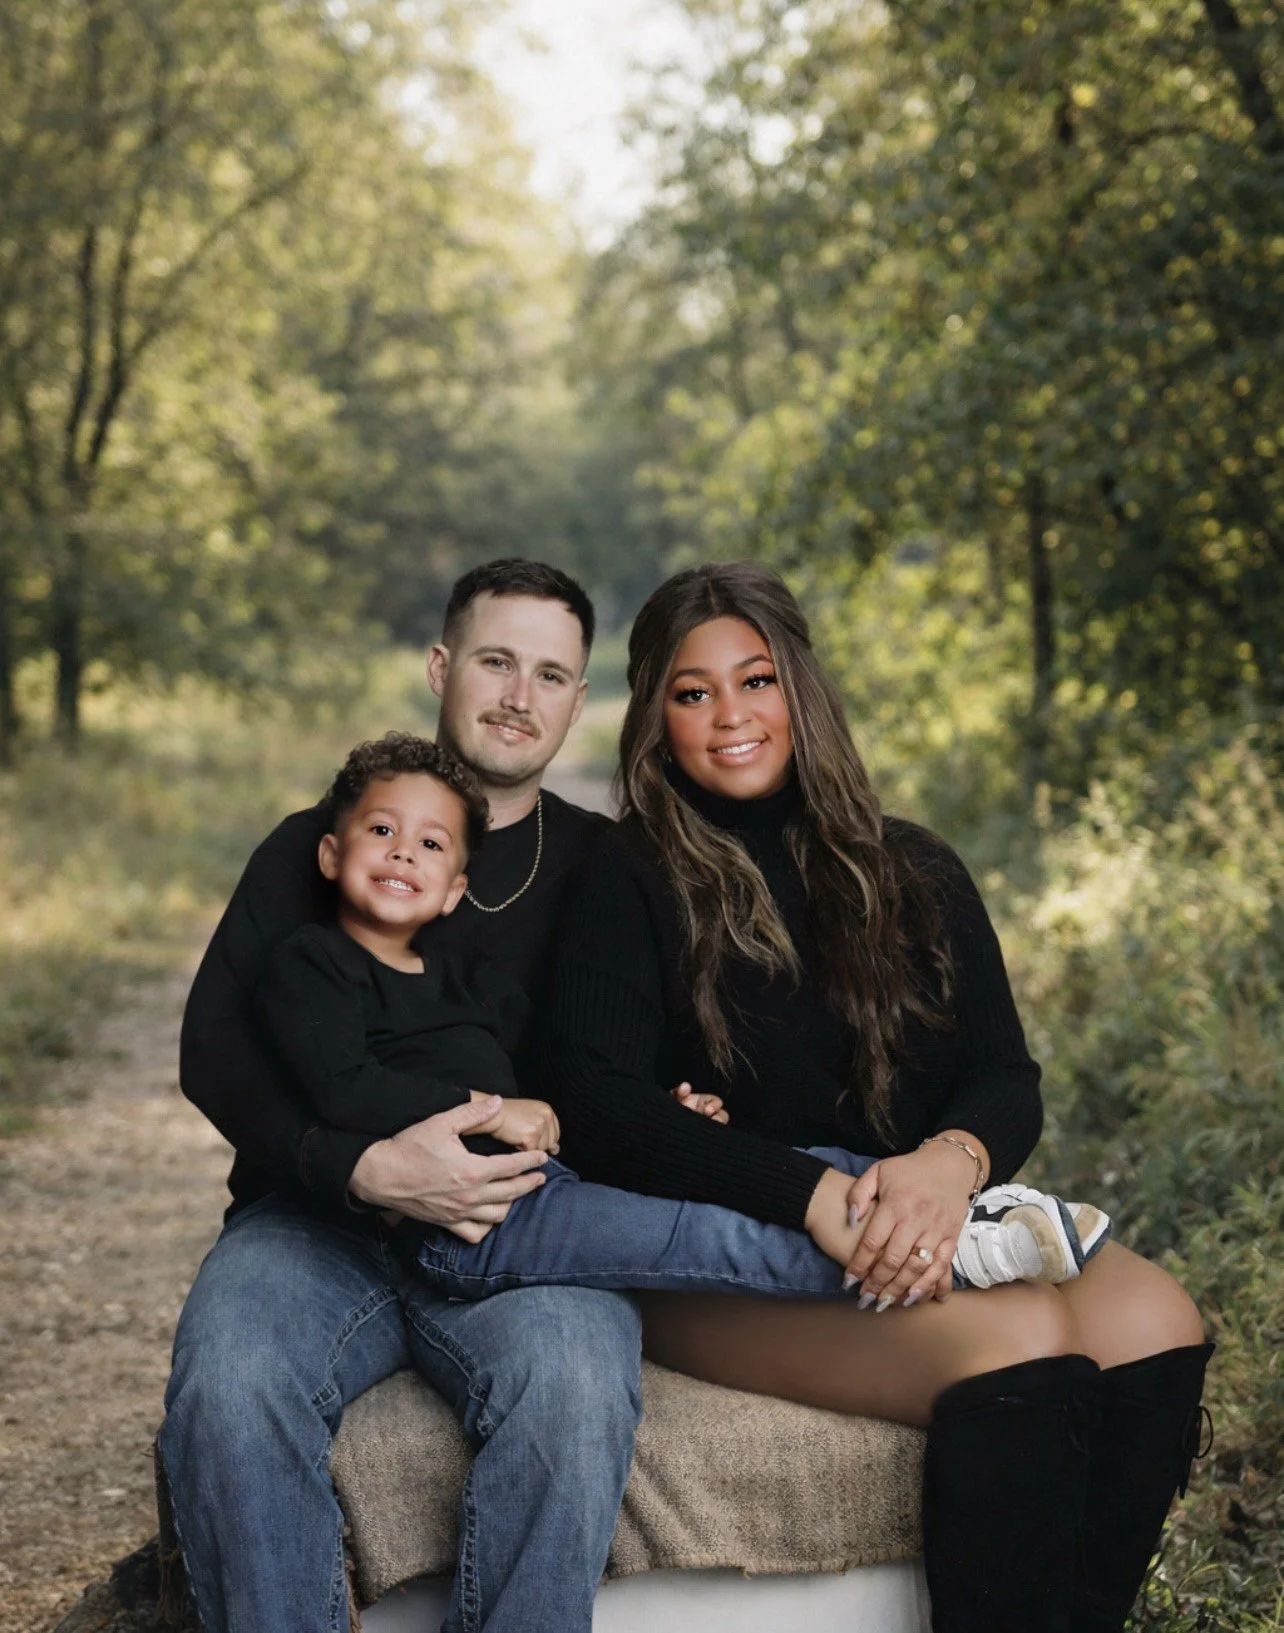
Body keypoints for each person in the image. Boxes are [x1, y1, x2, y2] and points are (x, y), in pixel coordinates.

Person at [528, 561, 1212, 1633]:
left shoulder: (915, 867)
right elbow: (599, 1100)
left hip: (903, 1208)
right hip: (725, 1243)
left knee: (1157, 1321)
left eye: (754, 680)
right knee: (1025, 1334)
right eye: (691, 692)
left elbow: (1004, 1077)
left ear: (801, 687)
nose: (730, 717)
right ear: (656, 719)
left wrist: (954, 1161)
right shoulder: (631, 876)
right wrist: (808, 1197)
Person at [161, 560, 645, 1633]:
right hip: (315, 1222)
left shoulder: (608, 867)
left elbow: (624, 1064)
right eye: (496, 661)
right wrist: (364, 1165)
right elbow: (215, 1051)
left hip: (517, 1231)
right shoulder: (320, 844)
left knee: (576, 1373)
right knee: (230, 1379)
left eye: (552, 674)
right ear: (441, 667)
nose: (521, 695)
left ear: (578, 698)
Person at [258, 729, 1110, 1310]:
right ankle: (944, 1253)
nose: (404, 850)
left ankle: (953, 1204)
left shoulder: (456, 972)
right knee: (705, 1235)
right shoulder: (314, 960)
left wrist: (664, 1102)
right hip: (463, 1222)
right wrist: (493, 1112)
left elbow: (567, 1070)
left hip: (536, 1187)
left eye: (431, 844)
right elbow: (343, 1084)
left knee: (775, 1179)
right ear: (331, 853)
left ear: (454, 890)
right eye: (380, 830)